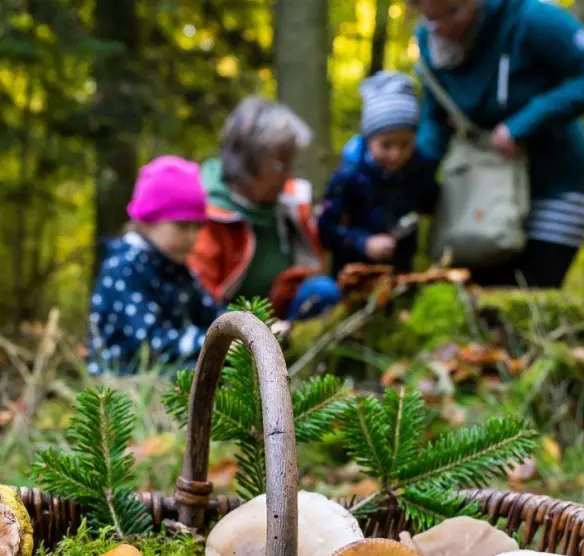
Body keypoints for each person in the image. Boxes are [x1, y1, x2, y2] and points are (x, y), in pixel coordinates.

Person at [413, 0, 584, 288]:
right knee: (477, 298)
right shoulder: (428, 42)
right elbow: (434, 119)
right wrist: (414, 176)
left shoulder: (530, 19)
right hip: (481, 191)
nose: (446, 27)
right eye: (433, 18)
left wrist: (524, 123)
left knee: (529, 297)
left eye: (454, 12)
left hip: (555, 186)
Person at [192, 97, 343, 321]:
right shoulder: (205, 213)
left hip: (281, 324)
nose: (288, 174)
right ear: (247, 160)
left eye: (292, 162)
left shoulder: (289, 204)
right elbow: (199, 301)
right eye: (281, 163)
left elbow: (312, 268)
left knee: (323, 292)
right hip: (226, 331)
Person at [86, 156, 221, 376]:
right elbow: (150, 343)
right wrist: (213, 342)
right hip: (123, 389)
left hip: (171, 375)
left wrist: (246, 329)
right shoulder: (124, 268)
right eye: (182, 226)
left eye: (197, 226)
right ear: (149, 219)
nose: (192, 237)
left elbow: (212, 314)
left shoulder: (177, 268)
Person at [318, 71, 440, 275]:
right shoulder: (348, 176)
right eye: (386, 145)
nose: (396, 154)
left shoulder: (419, 170)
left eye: (405, 144)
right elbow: (326, 230)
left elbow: (431, 203)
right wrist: (363, 243)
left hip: (401, 273)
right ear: (368, 139)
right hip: (352, 275)